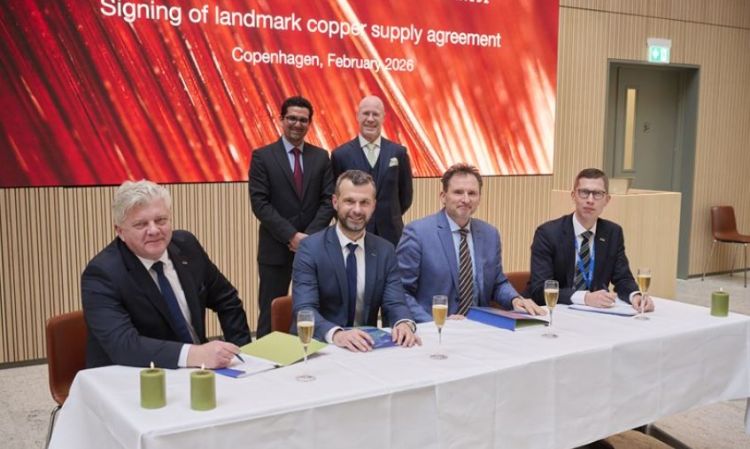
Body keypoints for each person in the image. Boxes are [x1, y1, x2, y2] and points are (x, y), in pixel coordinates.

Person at [82, 180, 251, 369]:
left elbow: (227, 300)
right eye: (141, 224)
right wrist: (195, 354)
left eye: (161, 220)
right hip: (137, 373)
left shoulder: (187, 245)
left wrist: (242, 353)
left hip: (200, 369)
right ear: (120, 231)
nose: (154, 230)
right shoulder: (102, 273)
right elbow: (124, 345)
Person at [396, 163, 544, 322]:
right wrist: (434, 323)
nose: (466, 199)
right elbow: (400, 291)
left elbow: (497, 283)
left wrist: (515, 299)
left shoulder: (490, 234)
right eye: (458, 192)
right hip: (435, 329)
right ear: (443, 197)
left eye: (472, 193)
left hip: (479, 327)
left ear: (479, 198)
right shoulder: (418, 233)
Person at [292, 170, 420, 352]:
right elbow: (305, 309)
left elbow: (395, 303)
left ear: (374, 206)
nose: (357, 210)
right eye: (349, 201)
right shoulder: (310, 249)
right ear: (335, 202)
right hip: (320, 347)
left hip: (365, 347)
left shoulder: (385, 250)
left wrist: (403, 323)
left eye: (364, 202)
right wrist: (337, 334)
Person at [249, 96, 335, 338]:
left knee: (311, 308)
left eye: (303, 120)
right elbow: (260, 203)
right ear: (281, 120)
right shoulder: (263, 156)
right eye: (292, 118)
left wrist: (307, 238)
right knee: (270, 310)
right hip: (275, 249)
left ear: (310, 123)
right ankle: (266, 355)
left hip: (313, 248)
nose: (297, 124)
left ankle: (308, 352)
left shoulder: (321, 157)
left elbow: (328, 200)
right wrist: (291, 235)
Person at [528, 168, 655, 312]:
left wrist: (636, 295)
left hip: (596, 314)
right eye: (584, 192)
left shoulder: (612, 233)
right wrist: (585, 298)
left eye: (597, 194)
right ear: (573, 196)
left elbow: (623, 278)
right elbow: (540, 289)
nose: (590, 200)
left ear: (607, 200)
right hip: (556, 312)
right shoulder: (548, 233)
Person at [331, 95, 413, 246]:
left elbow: (406, 196)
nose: (370, 119)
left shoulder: (398, 152)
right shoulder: (340, 155)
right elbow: (335, 196)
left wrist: (387, 215)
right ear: (357, 116)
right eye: (366, 113)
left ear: (383, 117)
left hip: (391, 235)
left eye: (375, 114)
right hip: (353, 233)